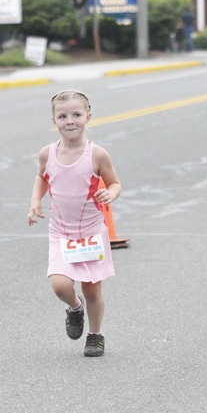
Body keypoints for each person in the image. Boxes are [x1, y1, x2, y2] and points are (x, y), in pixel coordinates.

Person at [27, 90, 121, 357]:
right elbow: (41, 178)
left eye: (77, 115)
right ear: (54, 120)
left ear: (88, 117)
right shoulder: (47, 153)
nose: (70, 121)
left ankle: (95, 335)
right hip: (61, 233)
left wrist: (109, 194)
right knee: (60, 285)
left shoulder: (97, 155)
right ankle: (74, 308)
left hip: (91, 232)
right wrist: (35, 201)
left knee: (92, 289)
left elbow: (115, 183)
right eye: (63, 116)